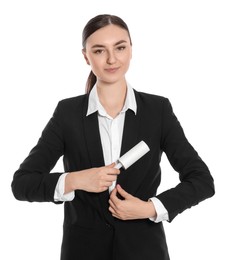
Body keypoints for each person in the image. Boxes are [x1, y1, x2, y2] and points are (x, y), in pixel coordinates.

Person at [11, 14, 215, 260]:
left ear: (131, 50)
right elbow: (22, 184)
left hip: (144, 252)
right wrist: (76, 179)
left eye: (120, 47)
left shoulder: (157, 110)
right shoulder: (67, 113)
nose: (111, 59)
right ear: (86, 56)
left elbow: (202, 181)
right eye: (99, 50)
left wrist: (149, 208)